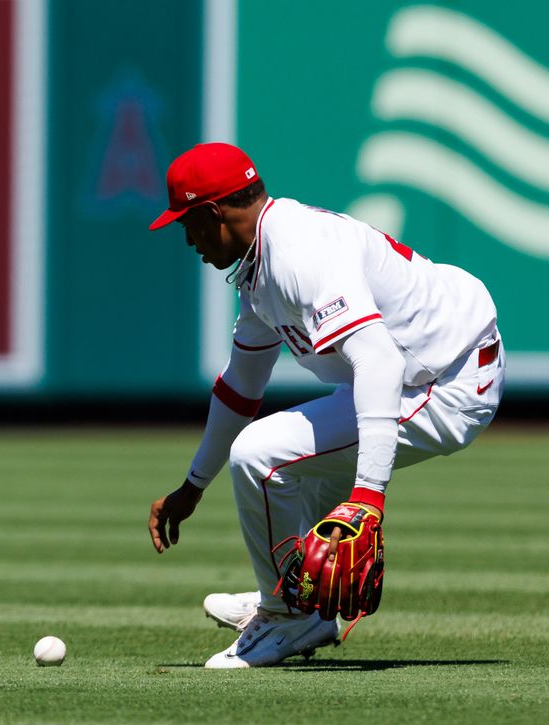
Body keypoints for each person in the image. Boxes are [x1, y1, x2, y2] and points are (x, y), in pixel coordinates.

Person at [145, 143, 503, 668]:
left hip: (448, 379)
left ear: (212, 213)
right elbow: (240, 386)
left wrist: (368, 497)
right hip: (421, 368)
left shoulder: (297, 254)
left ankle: (288, 618)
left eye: (187, 223)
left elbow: (379, 363)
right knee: (288, 466)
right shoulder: (260, 261)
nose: (187, 238)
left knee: (258, 456)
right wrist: (193, 485)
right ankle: (295, 604)